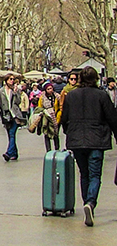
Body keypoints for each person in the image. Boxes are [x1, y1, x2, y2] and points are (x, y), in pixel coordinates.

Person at [59, 66, 117, 227]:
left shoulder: (71, 96)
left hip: (77, 140)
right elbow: (112, 118)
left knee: (84, 173)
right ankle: (90, 203)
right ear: (96, 79)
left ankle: (86, 202)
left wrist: (68, 131)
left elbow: (64, 118)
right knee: (95, 174)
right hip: (97, 139)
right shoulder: (102, 95)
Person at [0, 73, 25, 162]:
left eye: (13, 79)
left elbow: (18, 102)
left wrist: (15, 93)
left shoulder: (16, 90)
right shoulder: (1, 91)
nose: (12, 81)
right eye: (10, 79)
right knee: (10, 135)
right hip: (6, 116)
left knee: (12, 133)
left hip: (15, 115)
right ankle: (15, 153)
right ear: (6, 80)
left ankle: (8, 153)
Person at [37, 82, 60, 152]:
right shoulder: (42, 97)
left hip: (55, 117)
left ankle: (57, 149)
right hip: (46, 117)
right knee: (46, 133)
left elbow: (60, 106)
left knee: (55, 133)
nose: (50, 90)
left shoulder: (57, 96)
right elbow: (39, 107)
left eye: (51, 88)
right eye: (48, 89)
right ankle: (48, 150)